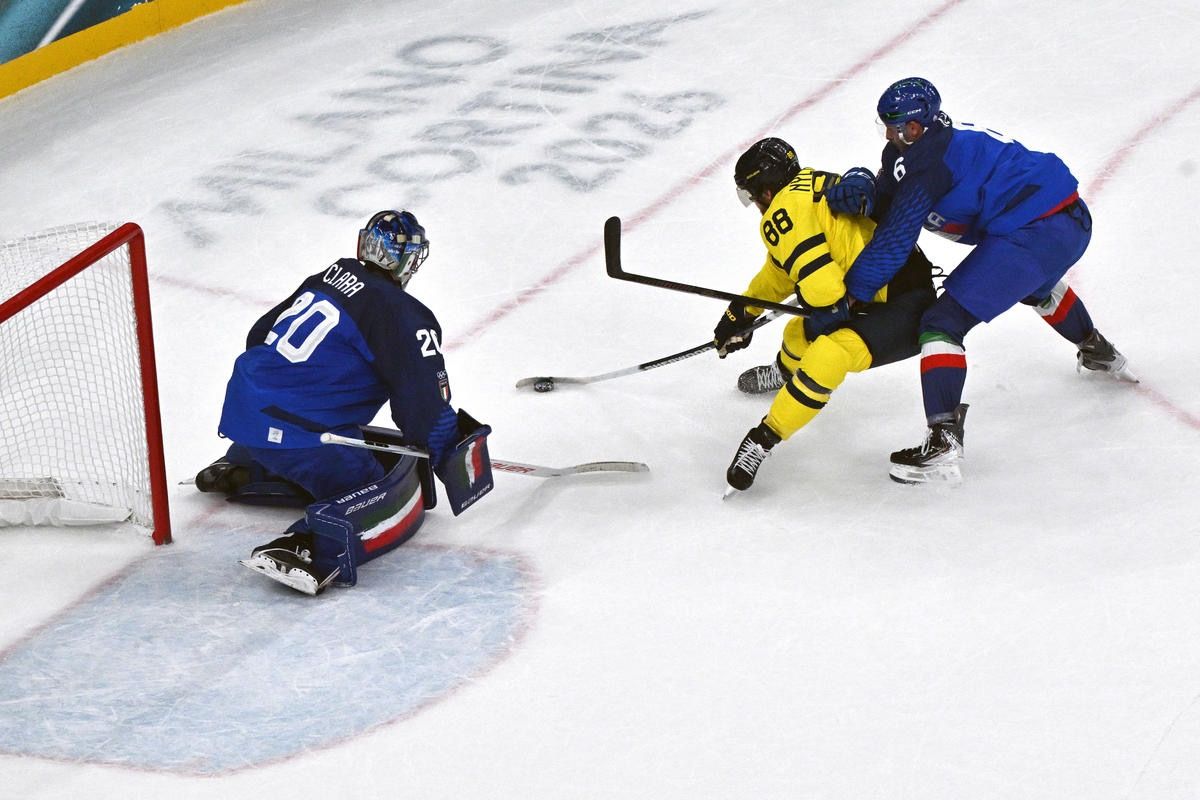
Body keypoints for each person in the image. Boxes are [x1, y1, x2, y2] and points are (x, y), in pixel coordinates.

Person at [827, 77, 1133, 485]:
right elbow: (890, 192)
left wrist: (850, 296)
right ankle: (1097, 350)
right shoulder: (929, 144)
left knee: (941, 323)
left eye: (896, 127)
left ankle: (942, 443)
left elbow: (894, 242)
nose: (888, 135)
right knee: (1034, 286)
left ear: (916, 126)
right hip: (1066, 221)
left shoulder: (928, 167)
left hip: (1035, 232)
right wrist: (862, 182)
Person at [195, 210, 492, 594]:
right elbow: (423, 409)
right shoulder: (405, 315)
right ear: (406, 259)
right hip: (299, 433)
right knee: (371, 485)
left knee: (300, 430)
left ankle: (243, 463)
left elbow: (259, 334)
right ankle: (304, 545)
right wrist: (450, 453)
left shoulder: (330, 276)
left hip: (242, 408)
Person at [715, 137, 938, 494]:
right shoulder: (810, 184)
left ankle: (763, 438)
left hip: (904, 306)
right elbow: (780, 273)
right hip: (894, 286)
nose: (755, 204)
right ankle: (784, 373)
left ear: (766, 191)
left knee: (827, 354)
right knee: (798, 333)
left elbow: (825, 291)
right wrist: (741, 311)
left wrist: (815, 304)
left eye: (752, 195)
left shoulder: (782, 212)